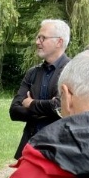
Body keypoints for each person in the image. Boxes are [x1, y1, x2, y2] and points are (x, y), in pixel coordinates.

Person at [9, 19, 71, 159]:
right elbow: (14, 110)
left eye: (42, 38)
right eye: (38, 37)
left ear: (59, 42)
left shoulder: (72, 71)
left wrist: (31, 104)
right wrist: (46, 109)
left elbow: (60, 107)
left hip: (58, 150)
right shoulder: (33, 73)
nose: (37, 42)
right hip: (30, 147)